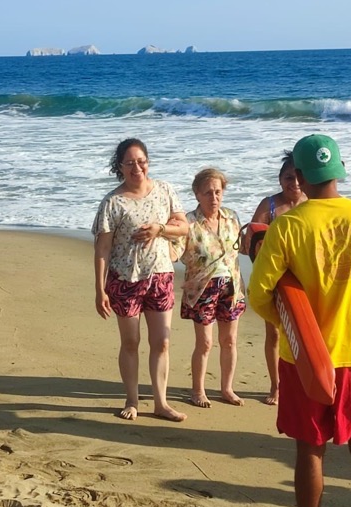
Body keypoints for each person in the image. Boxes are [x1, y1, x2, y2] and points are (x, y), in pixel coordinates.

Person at [249, 134, 351, 507]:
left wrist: (290, 331)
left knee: (309, 450)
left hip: (303, 361)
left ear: (298, 176)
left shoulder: (288, 227)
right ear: (338, 170)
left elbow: (259, 292)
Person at [92, 138, 189, 422]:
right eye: (130, 162)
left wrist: (160, 228)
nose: (137, 167)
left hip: (160, 275)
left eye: (141, 160)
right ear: (120, 167)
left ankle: (161, 403)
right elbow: (103, 249)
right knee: (131, 342)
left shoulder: (165, 190)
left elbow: (183, 227)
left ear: (148, 161)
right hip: (125, 279)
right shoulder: (113, 202)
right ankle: (132, 400)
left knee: (162, 342)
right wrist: (100, 290)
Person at [173, 168, 246, 408]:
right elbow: (173, 251)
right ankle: (198, 391)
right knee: (205, 343)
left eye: (218, 192)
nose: (213, 198)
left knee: (229, 341)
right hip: (202, 288)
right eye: (207, 193)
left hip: (232, 287)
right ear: (197, 194)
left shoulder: (231, 217)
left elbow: (244, 248)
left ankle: (227, 389)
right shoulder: (189, 222)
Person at [245, 151, 307, 405]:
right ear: (280, 179)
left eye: (297, 178)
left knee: (304, 334)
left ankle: (305, 382)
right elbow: (251, 242)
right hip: (275, 280)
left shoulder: (311, 202)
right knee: (274, 335)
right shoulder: (270, 205)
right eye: (287, 178)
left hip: (305, 279)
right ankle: (276, 386)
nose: (293, 183)